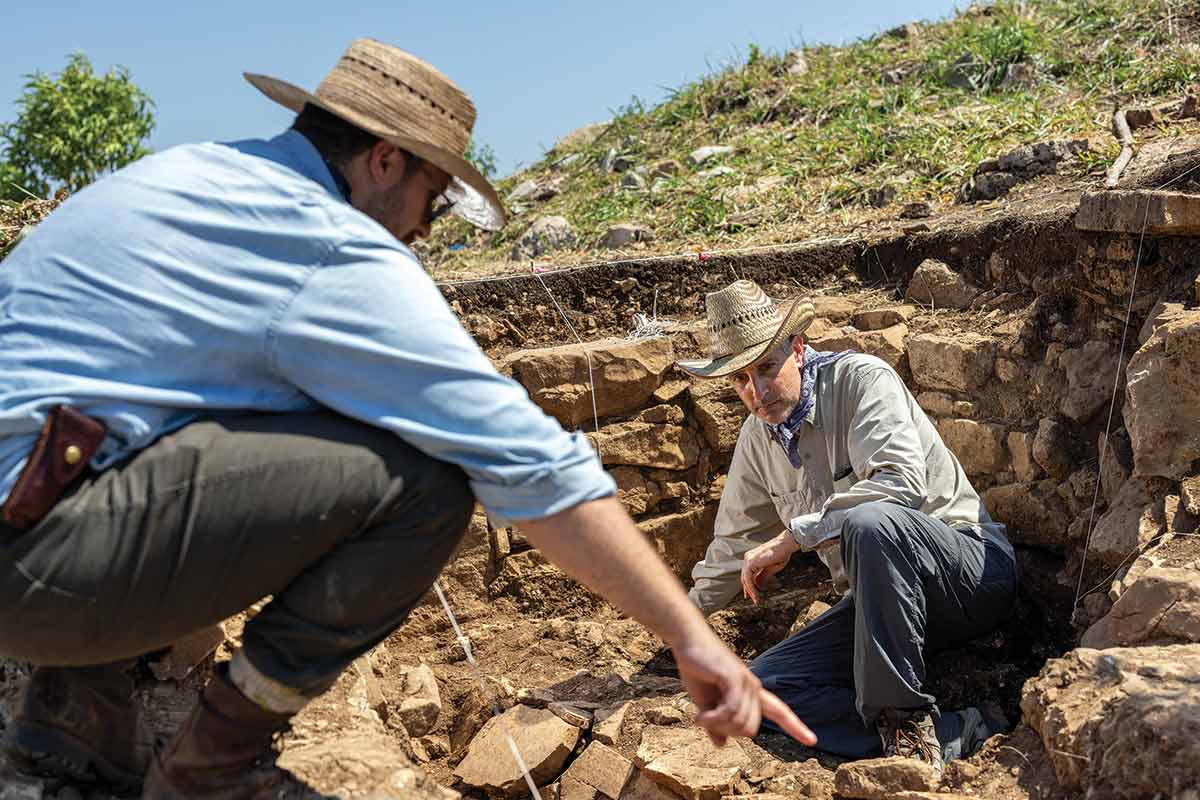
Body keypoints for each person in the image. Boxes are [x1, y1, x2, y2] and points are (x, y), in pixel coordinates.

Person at [0, 41, 814, 799]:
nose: (427, 227)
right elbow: (526, 461)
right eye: (431, 194)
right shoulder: (323, 239)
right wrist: (688, 634)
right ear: (383, 158)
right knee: (419, 478)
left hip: (34, 518)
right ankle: (213, 770)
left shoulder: (194, 176)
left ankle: (71, 729)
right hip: (34, 558)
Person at [679, 279, 1018, 771]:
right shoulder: (758, 437)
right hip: (881, 612)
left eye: (767, 368)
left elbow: (900, 485)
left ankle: (904, 725)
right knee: (760, 689)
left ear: (797, 349)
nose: (756, 391)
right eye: (740, 380)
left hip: (969, 575)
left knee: (869, 520)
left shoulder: (862, 380)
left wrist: (794, 536)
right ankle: (956, 729)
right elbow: (732, 545)